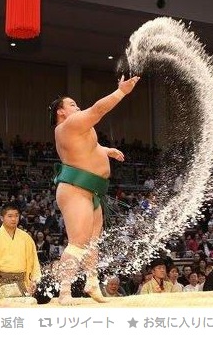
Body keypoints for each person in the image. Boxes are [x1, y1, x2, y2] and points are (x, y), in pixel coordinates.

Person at [49, 74, 140, 305]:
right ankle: (64, 291)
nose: (77, 107)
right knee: (78, 242)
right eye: (72, 104)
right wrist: (121, 92)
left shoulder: (78, 129)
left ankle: (91, 282)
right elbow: (98, 109)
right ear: (61, 111)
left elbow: (90, 148)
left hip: (93, 190)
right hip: (76, 189)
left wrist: (107, 150)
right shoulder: (67, 125)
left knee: (92, 242)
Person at [0, 203, 42, 302]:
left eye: (16, 216)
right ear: (2, 218)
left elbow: (34, 261)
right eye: (10, 216)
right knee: (0, 308)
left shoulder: (26, 238)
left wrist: (35, 280)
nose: (14, 219)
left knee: (24, 307)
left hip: (22, 285)